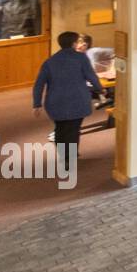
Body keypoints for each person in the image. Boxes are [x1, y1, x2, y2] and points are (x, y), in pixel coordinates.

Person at [32, 31, 103, 172]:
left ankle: (64, 156)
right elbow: (91, 76)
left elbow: (39, 84)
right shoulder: (81, 58)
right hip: (78, 100)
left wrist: (37, 103)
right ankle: (69, 159)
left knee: (60, 128)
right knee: (73, 129)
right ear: (74, 43)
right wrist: (100, 89)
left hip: (55, 102)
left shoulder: (49, 62)